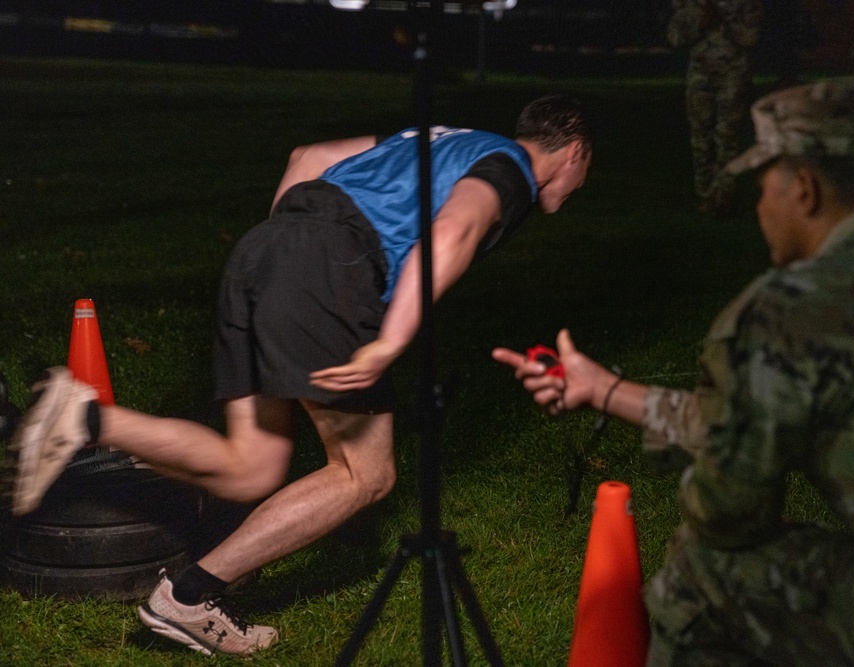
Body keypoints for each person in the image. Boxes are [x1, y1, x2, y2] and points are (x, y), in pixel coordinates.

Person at [9, 94, 593, 656]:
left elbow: (307, 158)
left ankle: (82, 416)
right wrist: (389, 338)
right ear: (572, 152)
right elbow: (452, 233)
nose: (579, 186)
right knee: (366, 475)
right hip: (326, 268)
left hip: (261, 252)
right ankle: (188, 597)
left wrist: (283, 254)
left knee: (250, 467)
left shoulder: (446, 138)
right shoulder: (512, 170)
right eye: (583, 173)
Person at [494, 77, 854, 665]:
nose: (760, 208)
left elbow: (730, 511)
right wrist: (604, 390)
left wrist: (714, 475)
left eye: (763, 187)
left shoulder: (797, 307)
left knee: (704, 568)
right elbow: (754, 413)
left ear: (804, 190)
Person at [667, 0, 762, 216]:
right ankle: (705, 193)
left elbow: (751, 37)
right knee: (701, 138)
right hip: (700, 76)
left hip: (733, 74)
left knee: (727, 137)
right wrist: (702, 22)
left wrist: (725, 21)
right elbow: (675, 37)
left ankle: (723, 198)